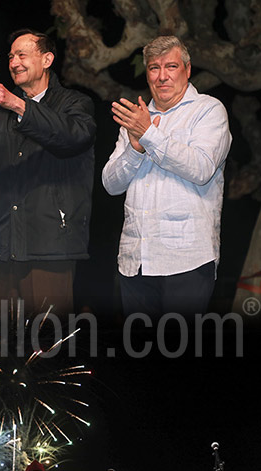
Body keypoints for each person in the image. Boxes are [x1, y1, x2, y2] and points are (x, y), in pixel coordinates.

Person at [0, 28, 96, 319]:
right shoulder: (1, 113)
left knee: (48, 345)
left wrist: (17, 104)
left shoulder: (75, 104)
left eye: (22, 55)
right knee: (5, 343)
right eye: (10, 56)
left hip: (51, 245)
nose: (13, 62)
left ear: (47, 59)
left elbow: (72, 138)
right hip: (5, 245)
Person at [102, 35, 232, 319]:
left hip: (187, 260)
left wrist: (149, 135)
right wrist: (135, 150)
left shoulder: (208, 110)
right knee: (139, 355)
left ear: (187, 69)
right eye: (153, 68)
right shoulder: (136, 118)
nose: (162, 76)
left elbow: (201, 169)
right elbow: (110, 184)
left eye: (170, 67)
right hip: (135, 259)